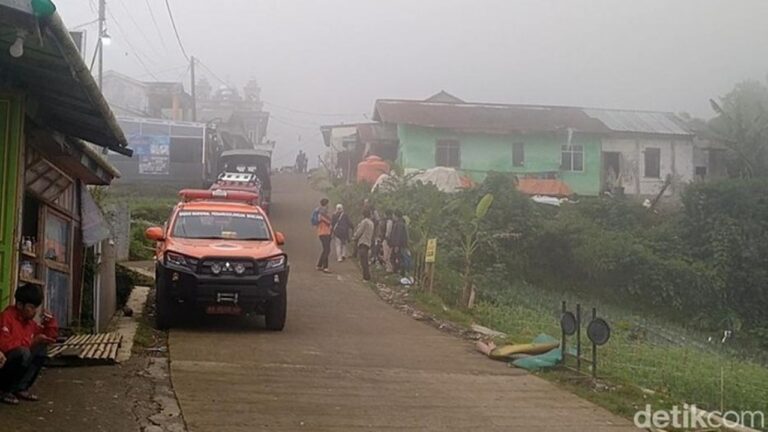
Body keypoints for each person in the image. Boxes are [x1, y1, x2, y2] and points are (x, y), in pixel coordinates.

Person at [0, 283, 58, 405]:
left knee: (41, 347)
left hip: (18, 359)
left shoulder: (29, 323)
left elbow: (50, 337)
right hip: (4, 364)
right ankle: (4, 390)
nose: (34, 312)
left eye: (35, 308)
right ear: (20, 305)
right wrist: (31, 342)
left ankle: (21, 388)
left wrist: (50, 322)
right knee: (22, 352)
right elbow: (4, 345)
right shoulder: (6, 317)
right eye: (31, 307)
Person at [353, 208, 375, 281]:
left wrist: (355, 237)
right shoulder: (371, 223)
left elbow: (360, 231)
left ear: (363, 215)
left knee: (363, 261)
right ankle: (366, 276)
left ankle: (366, 277)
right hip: (368, 242)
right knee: (365, 260)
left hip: (363, 242)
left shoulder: (365, 222)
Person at [388, 210, 409, 276]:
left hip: (399, 245)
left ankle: (399, 272)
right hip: (400, 245)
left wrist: (396, 245)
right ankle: (397, 271)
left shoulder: (399, 224)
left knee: (397, 258)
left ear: (396, 215)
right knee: (396, 258)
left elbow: (398, 235)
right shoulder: (400, 223)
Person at [314, 198, 332, 273]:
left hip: (323, 232)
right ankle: (325, 267)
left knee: (325, 249)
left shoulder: (319, 211)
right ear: (326, 204)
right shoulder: (322, 213)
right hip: (324, 232)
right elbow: (328, 222)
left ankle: (319, 265)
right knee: (327, 249)